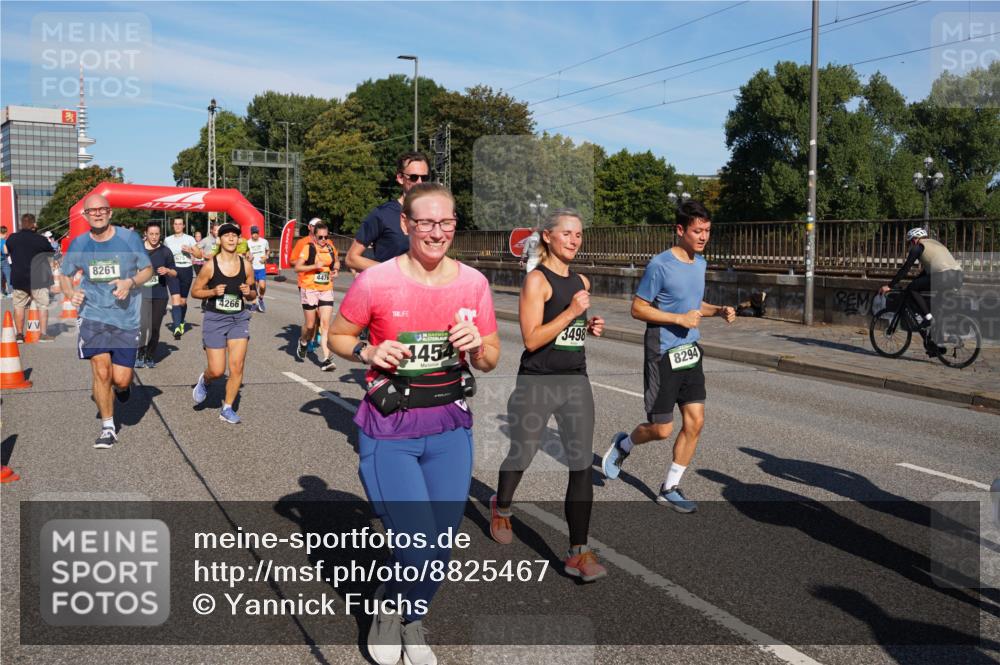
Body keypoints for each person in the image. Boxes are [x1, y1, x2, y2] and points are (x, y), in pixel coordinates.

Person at [329, 182, 500, 665]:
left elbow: (489, 359)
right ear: (406, 225)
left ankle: (411, 617)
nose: (437, 232)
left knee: (440, 545)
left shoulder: (473, 284)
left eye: (446, 222)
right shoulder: (376, 281)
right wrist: (368, 350)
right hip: (390, 429)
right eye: (426, 222)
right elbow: (336, 337)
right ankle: (387, 607)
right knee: (418, 541)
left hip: (449, 426)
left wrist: (475, 348)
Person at [490, 209, 608, 581]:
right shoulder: (536, 282)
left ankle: (578, 551)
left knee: (581, 464)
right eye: (567, 234)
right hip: (538, 380)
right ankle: (502, 507)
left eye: (579, 235)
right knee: (522, 452)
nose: (574, 240)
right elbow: (532, 338)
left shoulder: (581, 280)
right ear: (548, 237)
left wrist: (587, 324)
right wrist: (572, 311)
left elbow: (569, 328)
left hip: (575, 379)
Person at [601, 200, 735, 512]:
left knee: (696, 422)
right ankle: (624, 445)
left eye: (707, 231)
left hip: (691, 352)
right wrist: (678, 320)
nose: (703, 237)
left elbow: (693, 304)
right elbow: (638, 308)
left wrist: (718, 311)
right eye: (697, 231)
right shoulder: (660, 265)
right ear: (680, 230)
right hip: (662, 352)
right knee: (662, 429)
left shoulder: (699, 263)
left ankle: (670, 487)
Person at [59, 195, 152, 449]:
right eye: (92, 211)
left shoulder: (128, 239)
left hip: (126, 317)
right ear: (85, 215)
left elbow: (147, 269)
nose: (97, 214)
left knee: (121, 379)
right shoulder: (79, 244)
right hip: (93, 315)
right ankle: (108, 427)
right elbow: (65, 275)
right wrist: (70, 293)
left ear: (110, 213)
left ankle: (123, 390)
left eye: (102, 210)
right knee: (101, 371)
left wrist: (130, 282)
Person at [190, 223, 256, 424]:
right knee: (218, 370)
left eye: (234, 236)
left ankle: (227, 408)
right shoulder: (211, 265)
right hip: (215, 319)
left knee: (237, 366)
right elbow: (195, 291)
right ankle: (206, 379)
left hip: (238, 318)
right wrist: (211, 292)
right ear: (220, 240)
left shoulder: (246, 265)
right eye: (226, 235)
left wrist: (249, 292)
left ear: (238, 240)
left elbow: (254, 294)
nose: (231, 239)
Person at [879, 227, 964, 355]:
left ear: (914, 239)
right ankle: (936, 346)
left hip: (943, 276)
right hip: (957, 277)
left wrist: (890, 285)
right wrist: (915, 281)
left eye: (910, 242)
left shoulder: (918, 247)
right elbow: (926, 273)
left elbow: (906, 267)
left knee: (913, 289)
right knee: (937, 309)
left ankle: (928, 318)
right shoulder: (936, 245)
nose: (911, 244)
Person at [345, 151, 430, 272]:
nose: (420, 182)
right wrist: (391, 272)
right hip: (390, 288)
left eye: (425, 177)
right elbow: (351, 258)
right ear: (400, 178)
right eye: (414, 177)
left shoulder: (435, 214)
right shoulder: (382, 214)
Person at [292, 221, 339, 370]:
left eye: (326, 236)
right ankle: (303, 341)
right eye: (320, 237)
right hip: (309, 288)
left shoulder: (330, 248)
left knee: (325, 325)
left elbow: (336, 262)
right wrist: (314, 266)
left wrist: (335, 270)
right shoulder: (308, 248)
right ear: (314, 237)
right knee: (310, 325)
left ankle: (326, 359)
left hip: (326, 289)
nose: (324, 240)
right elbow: (297, 268)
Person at [6, 213, 55, 342]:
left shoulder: (12, 238)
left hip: (19, 277)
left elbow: (7, 251)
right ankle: (43, 334)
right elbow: (51, 254)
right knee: (42, 305)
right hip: (39, 278)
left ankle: (19, 335)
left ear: (21, 224)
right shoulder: (41, 240)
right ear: (34, 224)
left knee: (19, 306)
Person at [137, 222, 177, 368]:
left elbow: (175, 272)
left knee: (154, 327)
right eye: (151, 234)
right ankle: (140, 353)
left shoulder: (166, 251)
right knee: (142, 326)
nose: (154, 237)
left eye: (157, 234)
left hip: (159, 294)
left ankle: (149, 355)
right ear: (146, 234)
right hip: (142, 294)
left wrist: (167, 270)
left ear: (160, 235)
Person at [163, 217, 203, 339]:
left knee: (182, 301)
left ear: (183, 226)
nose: (178, 226)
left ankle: (180, 321)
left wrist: (190, 250)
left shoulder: (189, 239)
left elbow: (199, 255)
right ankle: (177, 328)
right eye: (175, 224)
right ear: (173, 226)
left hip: (186, 270)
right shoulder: (167, 240)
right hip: (173, 270)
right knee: (175, 299)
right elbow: (165, 255)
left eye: (180, 224)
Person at [246, 225, 270, 313]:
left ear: (258, 233)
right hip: (252, 268)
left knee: (262, 286)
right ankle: (253, 304)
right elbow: (246, 254)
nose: (255, 235)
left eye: (256, 233)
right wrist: (248, 258)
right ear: (251, 234)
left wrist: (266, 257)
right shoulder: (248, 243)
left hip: (261, 267)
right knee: (254, 287)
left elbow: (268, 251)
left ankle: (261, 298)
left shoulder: (264, 242)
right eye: (253, 233)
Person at [1, 225, 11, 296]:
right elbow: (6, 252)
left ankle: (1, 292)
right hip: (4, 260)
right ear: (5, 232)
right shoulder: (5, 241)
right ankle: (11, 292)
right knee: (9, 276)